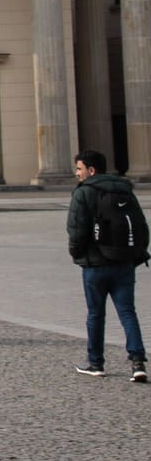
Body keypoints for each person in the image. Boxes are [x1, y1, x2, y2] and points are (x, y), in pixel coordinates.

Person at [67, 151, 146, 382]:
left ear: (92, 170)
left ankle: (96, 362)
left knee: (95, 314)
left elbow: (76, 230)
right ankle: (138, 362)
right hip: (124, 263)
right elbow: (141, 225)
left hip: (95, 264)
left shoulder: (83, 193)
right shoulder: (125, 190)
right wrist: (134, 255)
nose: (77, 173)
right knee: (128, 312)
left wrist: (77, 254)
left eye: (79, 169)